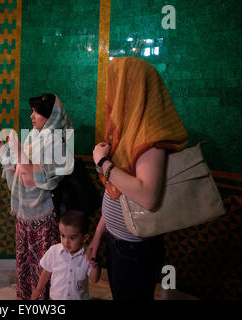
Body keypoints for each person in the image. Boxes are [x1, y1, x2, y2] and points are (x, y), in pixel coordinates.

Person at [87, 57, 188, 300]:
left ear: (133, 89)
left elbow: (147, 196)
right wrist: (100, 235)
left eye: (117, 85)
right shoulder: (129, 132)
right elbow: (118, 194)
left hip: (134, 250)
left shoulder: (150, 134)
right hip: (118, 242)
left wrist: (103, 163)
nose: (112, 94)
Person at [0, 93, 74, 300]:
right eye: (32, 111)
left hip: (43, 215)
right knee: (25, 260)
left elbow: (38, 180)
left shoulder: (58, 142)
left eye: (37, 112)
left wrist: (18, 151)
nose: (32, 116)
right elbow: (17, 169)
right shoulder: (33, 136)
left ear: (52, 116)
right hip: (24, 212)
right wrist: (2, 150)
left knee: (42, 264)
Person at [31, 210, 101, 300]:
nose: (66, 242)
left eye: (72, 238)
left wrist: (95, 266)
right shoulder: (54, 251)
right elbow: (46, 273)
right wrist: (38, 290)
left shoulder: (87, 255)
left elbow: (94, 279)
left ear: (84, 238)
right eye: (63, 235)